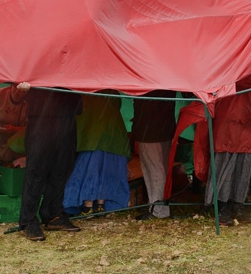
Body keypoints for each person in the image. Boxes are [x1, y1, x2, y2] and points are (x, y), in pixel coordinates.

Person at [17, 83, 83, 241]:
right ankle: (28, 221)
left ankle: (53, 215)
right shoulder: (37, 58)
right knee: (37, 170)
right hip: (42, 116)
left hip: (68, 113)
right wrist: (22, 81)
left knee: (62, 168)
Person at [202, 73, 251, 225]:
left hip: (248, 118)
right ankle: (220, 206)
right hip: (230, 115)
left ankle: (237, 204)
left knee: (242, 164)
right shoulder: (236, 60)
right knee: (226, 163)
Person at [63, 93, 131, 217]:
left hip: (94, 139)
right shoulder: (113, 95)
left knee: (88, 171)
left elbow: (82, 118)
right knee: (106, 173)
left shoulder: (91, 95)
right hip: (115, 138)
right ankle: (101, 205)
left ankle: (88, 207)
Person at [131, 90, 177, 220]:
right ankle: (160, 206)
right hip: (164, 127)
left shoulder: (147, 74)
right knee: (162, 168)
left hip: (149, 129)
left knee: (154, 170)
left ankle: (158, 210)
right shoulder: (168, 73)